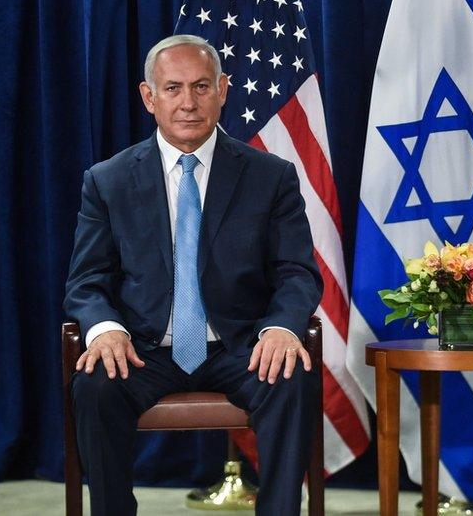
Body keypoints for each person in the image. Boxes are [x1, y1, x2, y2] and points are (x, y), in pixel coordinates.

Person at [64, 34, 322, 516]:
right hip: (143, 349)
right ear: (149, 96)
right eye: (173, 88)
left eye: (202, 87)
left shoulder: (272, 176)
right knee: (96, 384)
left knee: (291, 377)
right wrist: (105, 329)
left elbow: (296, 272)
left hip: (241, 345)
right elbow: (86, 280)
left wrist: (283, 327)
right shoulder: (108, 180)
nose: (188, 103)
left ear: (223, 90)